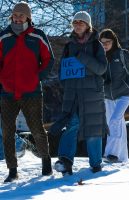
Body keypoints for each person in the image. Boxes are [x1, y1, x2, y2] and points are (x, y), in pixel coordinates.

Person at [0, 1, 54, 182]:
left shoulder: (38, 36)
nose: (17, 18)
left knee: (37, 129)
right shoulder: (3, 37)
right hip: (8, 93)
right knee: (7, 131)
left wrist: (36, 78)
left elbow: (49, 60)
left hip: (31, 92)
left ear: (28, 17)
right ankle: (12, 170)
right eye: (15, 15)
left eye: (21, 15)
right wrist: (3, 81)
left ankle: (46, 161)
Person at [54, 11, 108, 175]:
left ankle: (96, 164)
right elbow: (62, 71)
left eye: (81, 22)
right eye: (75, 22)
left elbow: (101, 68)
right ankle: (65, 161)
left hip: (92, 95)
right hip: (73, 95)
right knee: (72, 125)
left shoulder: (96, 45)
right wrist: (68, 83)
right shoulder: (69, 46)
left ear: (88, 25)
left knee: (93, 128)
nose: (78, 25)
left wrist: (82, 58)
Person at [99, 29, 129, 163]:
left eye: (107, 42)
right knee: (114, 124)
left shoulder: (122, 54)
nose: (105, 45)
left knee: (115, 120)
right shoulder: (100, 57)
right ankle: (122, 157)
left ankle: (111, 153)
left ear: (114, 41)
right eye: (102, 42)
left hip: (124, 94)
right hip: (107, 96)